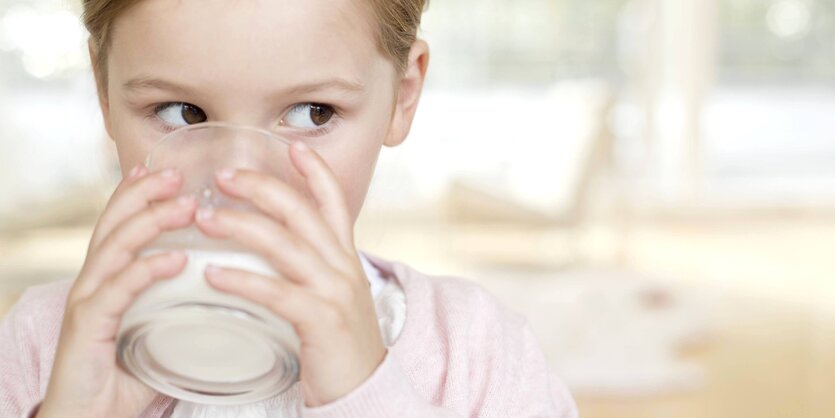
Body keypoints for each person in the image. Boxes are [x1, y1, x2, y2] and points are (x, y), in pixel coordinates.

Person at [0, 0, 578, 416]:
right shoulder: (40, 344)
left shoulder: (476, 352)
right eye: (182, 112)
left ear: (402, 98)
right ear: (104, 92)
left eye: (312, 114)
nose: (238, 179)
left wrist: (365, 396)